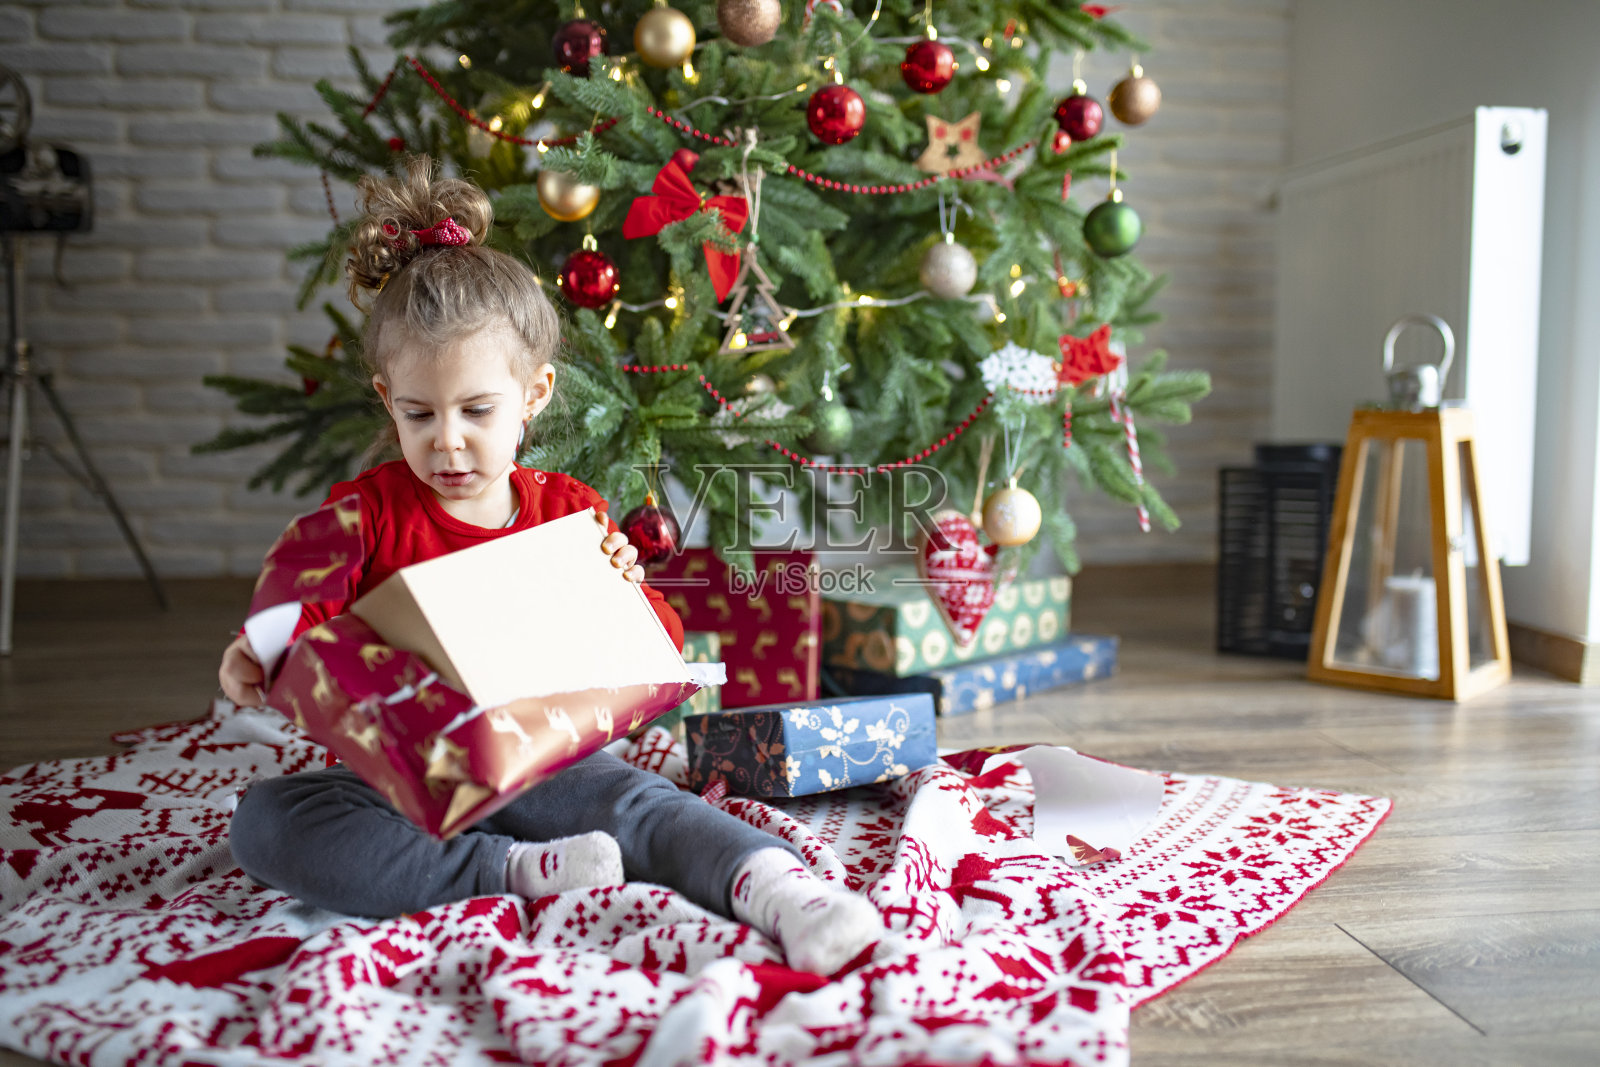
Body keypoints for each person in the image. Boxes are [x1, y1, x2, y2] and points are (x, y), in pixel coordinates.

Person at [218, 157, 882, 974]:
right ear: (387, 397)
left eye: (477, 410)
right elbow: (303, 624)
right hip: (415, 784)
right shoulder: (370, 510)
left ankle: (783, 890)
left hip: (544, 758)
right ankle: (513, 873)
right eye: (419, 414)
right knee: (267, 820)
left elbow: (651, 656)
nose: (448, 439)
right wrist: (260, 656)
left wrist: (624, 588)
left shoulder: (566, 510)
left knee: (637, 801)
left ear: (533, 394)